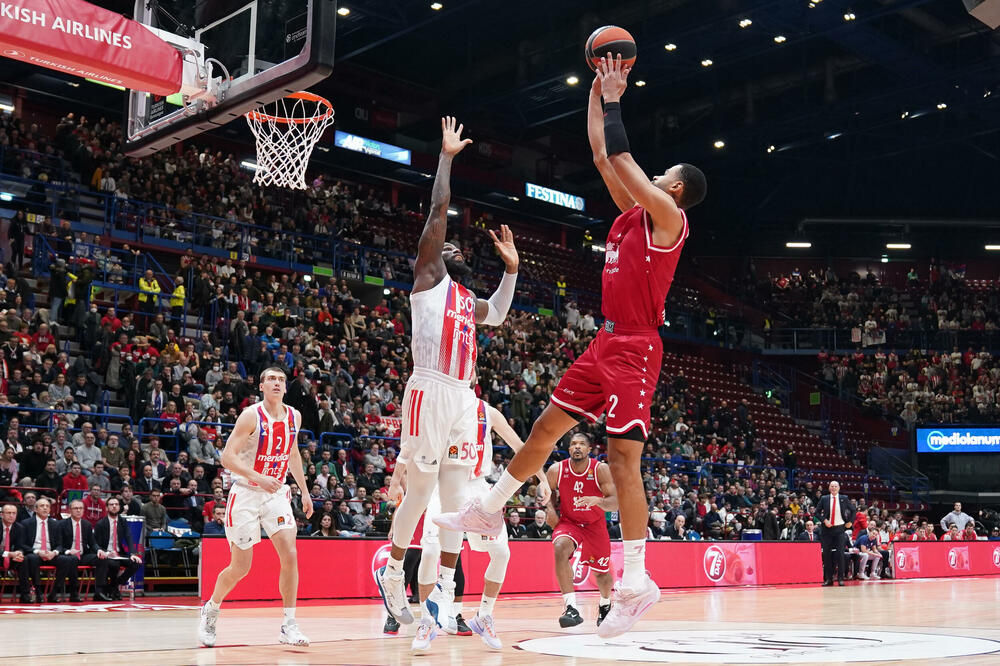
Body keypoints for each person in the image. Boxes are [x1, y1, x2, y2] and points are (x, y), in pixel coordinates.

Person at [435, 56, 706, 638]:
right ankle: (490, 504)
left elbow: (625, 158)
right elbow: (602, 155)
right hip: (605, 340)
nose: (651, 175)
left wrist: (615, 99)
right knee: (545, 428)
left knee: (623, 459)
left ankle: (636, 583)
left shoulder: (667, 217)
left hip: (636, 346)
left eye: (664, 173)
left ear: (676, 188)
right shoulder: (631, 217)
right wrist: (594, 87)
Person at [373, 117, 521, 651]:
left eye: (458, 249)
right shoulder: (428, 280)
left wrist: (511, 271)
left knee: (457, 501)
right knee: (419, 492)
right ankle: (393, 569)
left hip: (462, 396)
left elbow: (499, 315)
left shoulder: (465, 301)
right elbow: (438, 212)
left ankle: (440, 607)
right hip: (428, 388)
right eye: (446, 246)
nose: (451, 248)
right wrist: (446, 158)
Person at [389, 395, 547, 652]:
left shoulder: (488, 412)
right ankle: (427, 622)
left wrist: (542, 477)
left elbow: (520, 445)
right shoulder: (439, 402)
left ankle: (484, 615)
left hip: (476, 487)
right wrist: (396, 480)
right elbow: (412, 444)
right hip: (444, 486)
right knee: (429, 552)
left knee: (502, 553)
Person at [198, 367, 313, 648]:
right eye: (271, 379)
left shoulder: (294, 416)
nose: (277, 383)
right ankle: (211, 608)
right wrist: (258, 477)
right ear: (261, 386)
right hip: (247, 492)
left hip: (275, 494)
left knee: (290, 553)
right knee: (240, 568)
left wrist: (305, 491)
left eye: (281, 380)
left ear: (286, 388)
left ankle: (289, 623)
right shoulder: (251, 415)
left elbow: (293, 454)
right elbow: (227, 457)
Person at [545, 432, 617, 628]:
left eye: (581, 444)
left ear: (589, 449)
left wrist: (599, 501)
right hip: (570, 522)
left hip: (595, 524)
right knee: (560, 547)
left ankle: (605, 603)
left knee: (601, 574)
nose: (577, 447)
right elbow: (544, 490)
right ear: (569, 449)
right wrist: (550, 508)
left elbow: (615, 502)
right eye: (573, 444)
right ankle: (571, 608)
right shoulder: (556, 470)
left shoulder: (600, 469)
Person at [18, 497, 67, 602]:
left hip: (50, 554)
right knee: (32, 558)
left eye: (47, 506)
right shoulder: (26, 523)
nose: (45, 508)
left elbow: (60, 544)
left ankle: (53, 593)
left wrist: (54, 552)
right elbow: (22, 544)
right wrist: (37, 552)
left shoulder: (56, 524)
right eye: (42, 506)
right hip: (35, 553)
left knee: (67, 560)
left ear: (50, 510)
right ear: (35, 509)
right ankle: (38, 592)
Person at [93, 497, 142, 600]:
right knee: (114, 564)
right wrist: (107, 552)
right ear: (106, 508)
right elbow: (96, 543)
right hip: (107, 554)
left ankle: (113, 585)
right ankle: (114, 590)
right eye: (111, 504)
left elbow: (129, 537)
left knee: (137, 563)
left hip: (119, 554)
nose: (114, 506)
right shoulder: (101, 523)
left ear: (120, 507)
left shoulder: (123, 521)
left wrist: (133, 553)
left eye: (116, 504)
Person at [55, 499, 100, 601]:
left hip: (83, 555)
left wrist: (99, 550)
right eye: (76, 508)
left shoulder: (87, 525)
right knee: (72, 560)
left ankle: (100, 592)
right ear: (70, 510)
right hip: (67, 554)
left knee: (101, 558)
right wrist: (68, 551)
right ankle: (74, 593)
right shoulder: (61, 524)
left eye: (81, 508)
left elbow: (92, 543)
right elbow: (59, 544)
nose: (78, 510)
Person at [817, 481, 854, 587]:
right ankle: (828, 579)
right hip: (827, 530)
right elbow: (817, 512)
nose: (833, 488)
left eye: (835, 486)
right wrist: (824, 520)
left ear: (839, 488)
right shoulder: (824, 498)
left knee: (840, 554)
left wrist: (850, 522)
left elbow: (853, 510)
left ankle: (841, 579)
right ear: (829, 488)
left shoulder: (844, 498)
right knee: (827, 555)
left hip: (840, 529)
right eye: (832, 486)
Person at [1, 503, 30, 603]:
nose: (11, 515)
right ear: (2, 515)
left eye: (14, 513)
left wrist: (19, 553)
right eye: (8, 513)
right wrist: (8, 554)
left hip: (11, 556)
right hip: (2, 556)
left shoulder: (20, 528)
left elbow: (21, 546)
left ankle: (25, 595)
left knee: (24, 560)